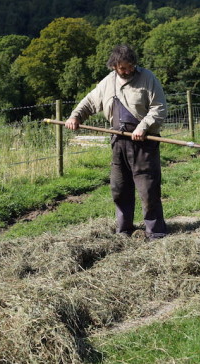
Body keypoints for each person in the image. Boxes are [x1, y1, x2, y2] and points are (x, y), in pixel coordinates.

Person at [66, 44, 168, 239]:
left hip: (144, 142)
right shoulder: (107, 83)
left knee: (148, 190)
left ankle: (156, 233)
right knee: (119, 189)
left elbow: (159, 108)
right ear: (114, 66)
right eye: (123, 68)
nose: (128, 71)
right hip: (118, 142)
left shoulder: (148, 79)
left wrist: (143, 126)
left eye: (131, 66)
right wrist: (75, 117)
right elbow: (88, 102)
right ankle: (124, 231)